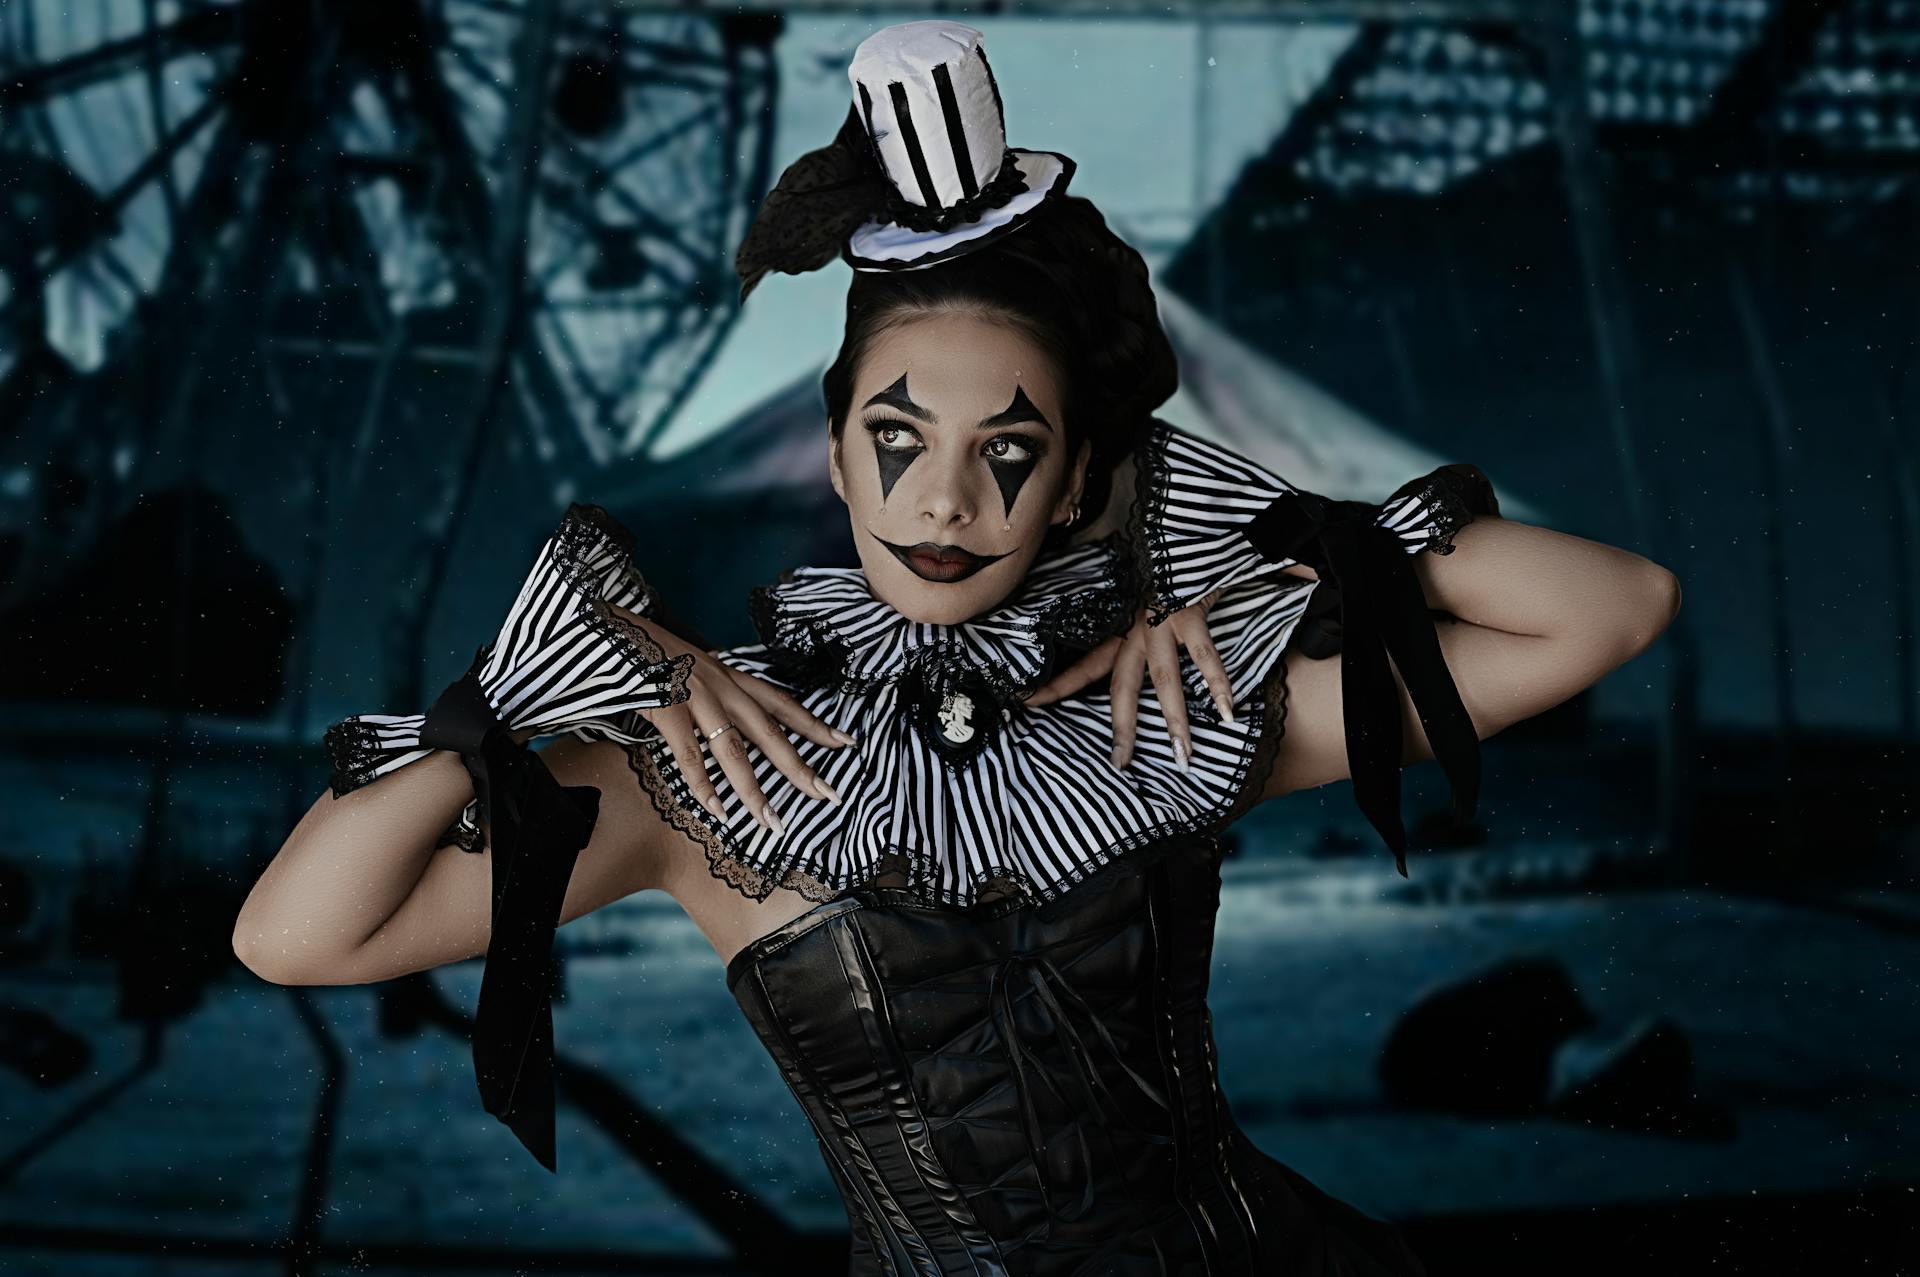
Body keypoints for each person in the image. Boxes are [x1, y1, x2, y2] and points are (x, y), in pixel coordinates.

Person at [233, 21, 1680, 1274]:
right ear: (837, 456)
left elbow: (1610, 608)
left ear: (1077, 477)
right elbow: (298, 934)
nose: (944, 499)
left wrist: (1275, 528)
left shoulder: (1166, 708)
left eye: (1012, 449)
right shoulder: (700, 766)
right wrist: (523, 691)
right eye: (898, 438)